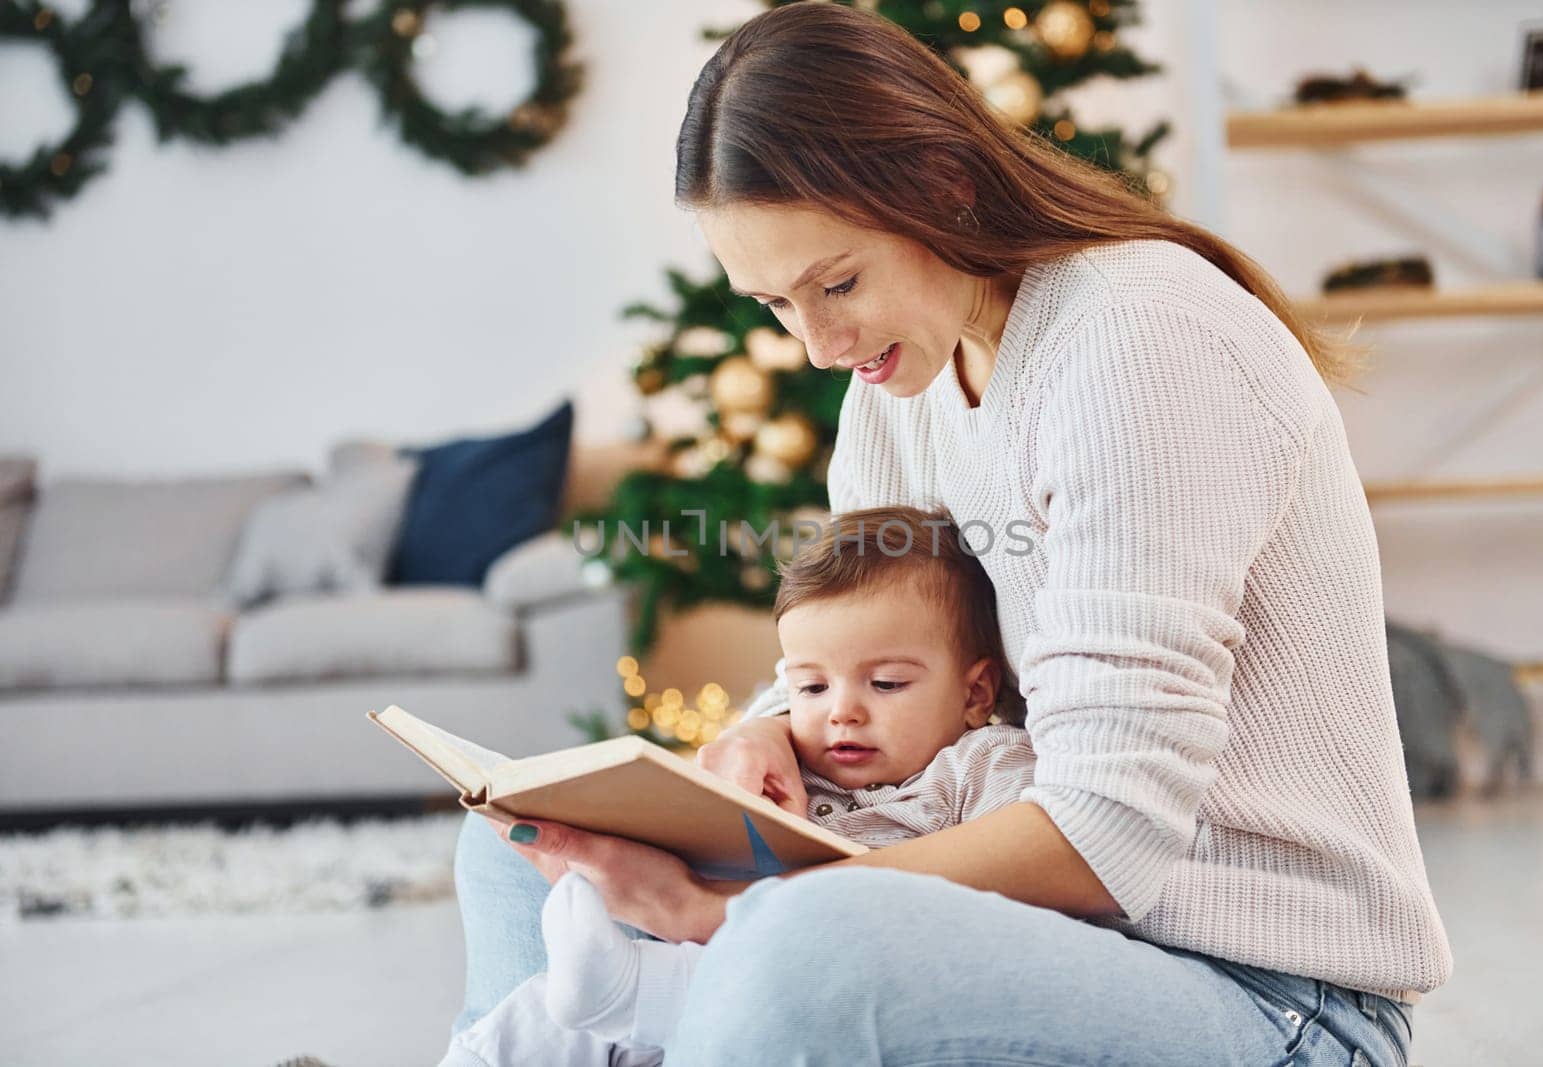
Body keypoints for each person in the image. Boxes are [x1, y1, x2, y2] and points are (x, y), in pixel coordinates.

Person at [449, 5, 1452, 1065]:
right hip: (1060, 937)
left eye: (837, 282)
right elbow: (856, 647)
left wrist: (725, 909)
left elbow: (1107, 829)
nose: (821, 343)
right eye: (776, 304)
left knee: (804, 945)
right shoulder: (902, 381)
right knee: (519, 845)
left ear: (943, 186)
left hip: (1268, 997)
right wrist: (757, 735)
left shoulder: (1138, 344)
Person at [441, 507, 1037, 1066]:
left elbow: (1027, 884)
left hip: (837, 970)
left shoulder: (982, 765)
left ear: (975, 694)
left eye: (885, 684)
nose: (842, 713)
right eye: (811, 687)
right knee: (539, 1016)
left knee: (689, 991)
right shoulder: (791, 759)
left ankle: (632, 992)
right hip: (697, 954)